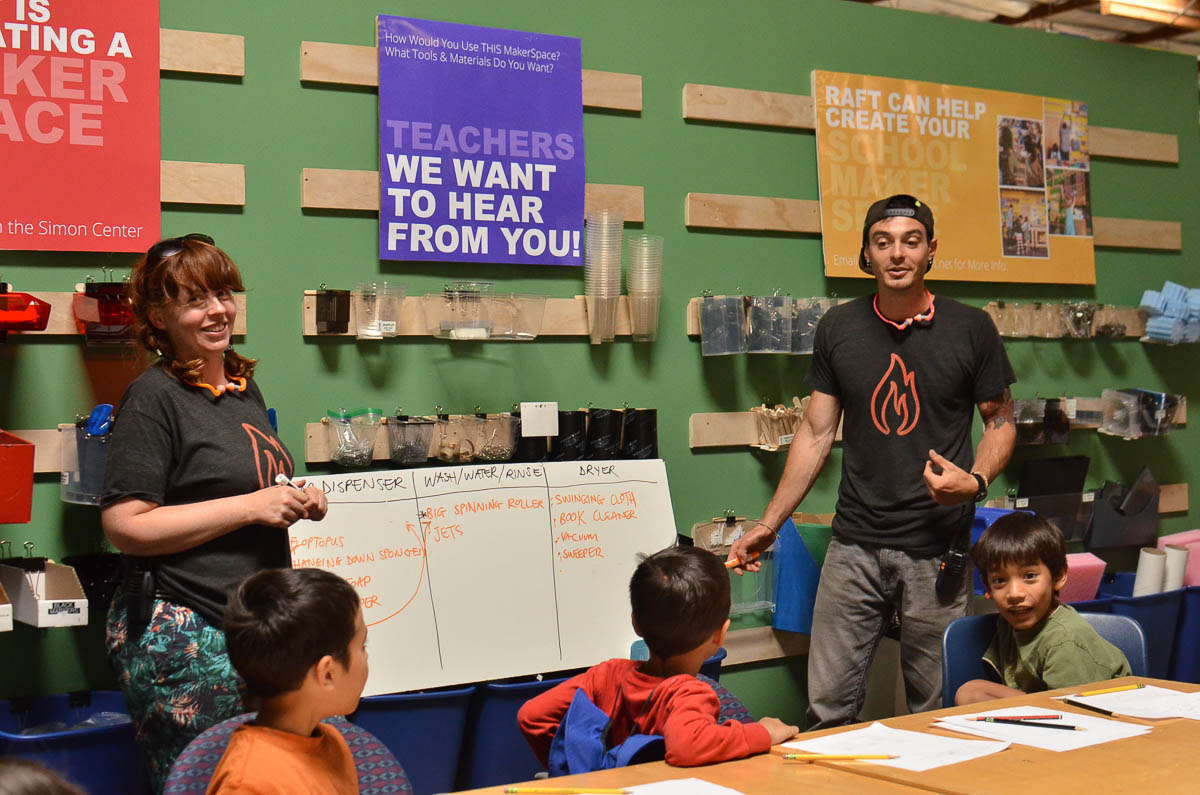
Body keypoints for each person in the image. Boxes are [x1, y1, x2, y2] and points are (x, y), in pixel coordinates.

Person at [730, 194, 1016, 730]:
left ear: (931, 249)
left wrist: (975, 482)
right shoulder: (839, 328)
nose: (897, 254)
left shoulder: (971, 328)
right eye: (883, 242)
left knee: (936, 714)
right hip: (853, 544)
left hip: (937, 550)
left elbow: (1000, 422)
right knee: (826, 709)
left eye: (911, 241)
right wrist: (769, 523)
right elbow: (815, 433)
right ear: (867, 253)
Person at [101, 234, 329, 790]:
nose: (218, 310)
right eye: (196, 299)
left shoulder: (241, 388)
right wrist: (253, 506)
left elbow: (236, 488)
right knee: (207, 784)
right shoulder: (153, 398)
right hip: (182, 627)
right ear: (158, 315)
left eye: (224, 293)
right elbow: (125, 525)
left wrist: (294, 495)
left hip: (247, 626)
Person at [517, 546, 798, 767]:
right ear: (720, 635)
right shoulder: (689, 693)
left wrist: (580, 770)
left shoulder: (606, 675)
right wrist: (763, 733)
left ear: (635, 623)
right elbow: (689, 745)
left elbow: (531, 716)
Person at [207, 568, 368, 794]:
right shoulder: (248, 785)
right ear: (327, 674)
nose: (367, 656)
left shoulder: (332, 744)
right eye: (362, 646)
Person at [955, 512, 1130, 704]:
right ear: (987, 587)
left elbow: (1075, 714)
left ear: (1058, 576)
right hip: (1052, 710)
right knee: (971, 693)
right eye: (999, 580)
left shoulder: (1064, 641)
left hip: (1098, 719)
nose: (1014, 593)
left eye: (1029, 576)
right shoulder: (1008, 623)